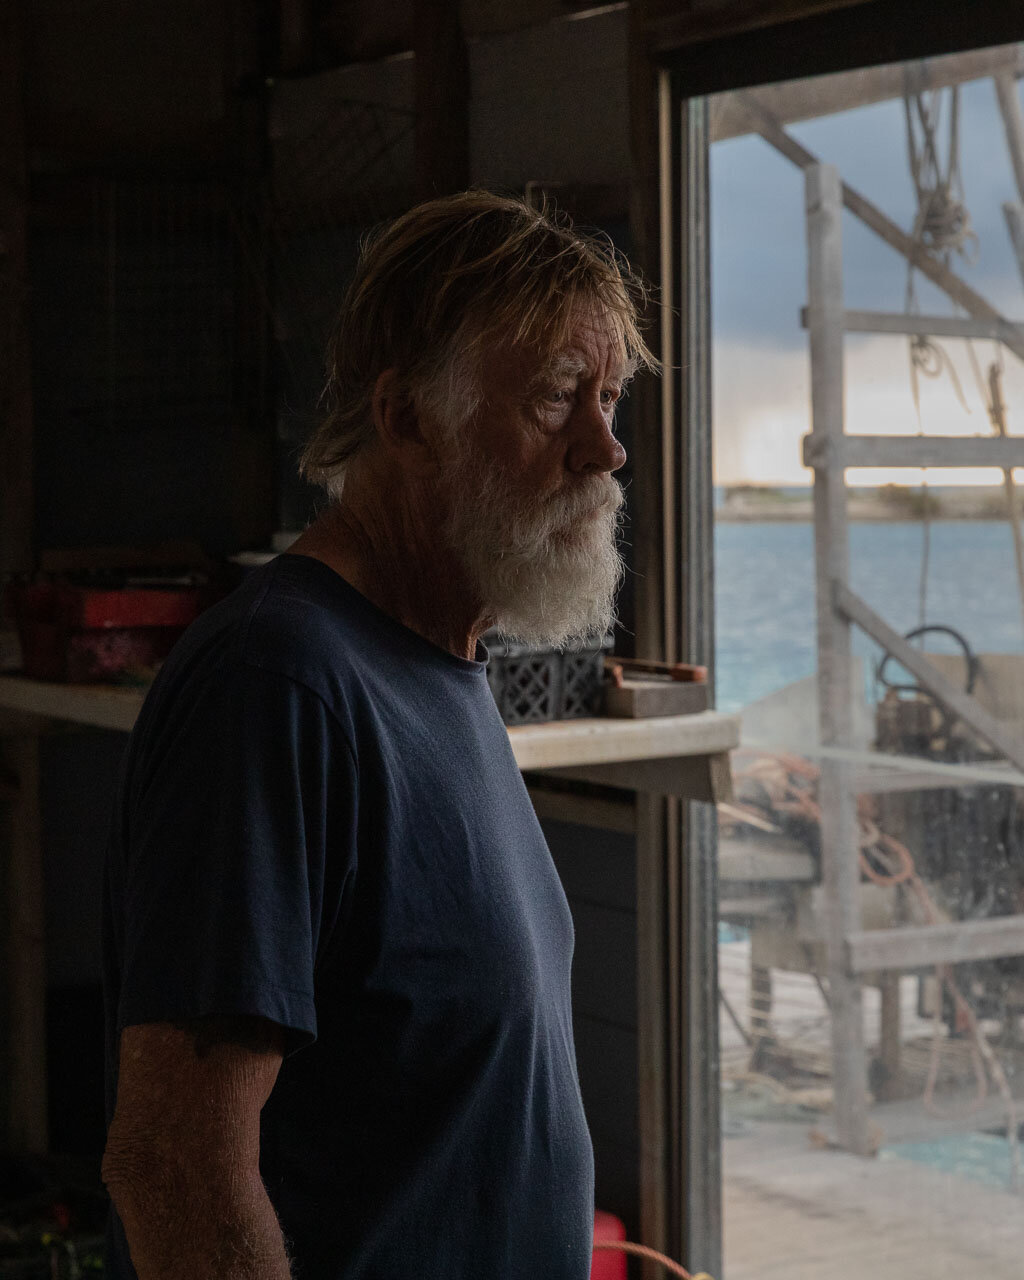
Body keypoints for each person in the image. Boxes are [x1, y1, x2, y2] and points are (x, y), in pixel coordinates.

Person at [101, 190, 657, 1279]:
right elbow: (174, 1165)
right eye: (556, 399)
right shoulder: (280, 682)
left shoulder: (440, 660)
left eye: (610, 399)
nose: (606, 449)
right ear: (406, 418)